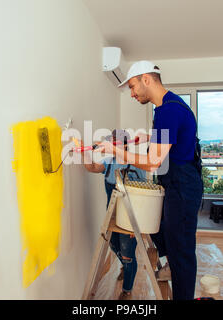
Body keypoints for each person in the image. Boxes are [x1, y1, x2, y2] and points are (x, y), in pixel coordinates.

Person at [96, 61, 203, 300]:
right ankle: (170, 265)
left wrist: (116, 151)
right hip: (177, 182)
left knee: (182, 250)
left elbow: (153, 162)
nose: (132, 93)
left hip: (182, 186)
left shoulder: (168, 111)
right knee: (162, 228)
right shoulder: (168, 106)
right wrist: (146, 138)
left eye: (133, 86)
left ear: (147, 79)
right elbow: (167, 145)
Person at [80, 129, 146, 300]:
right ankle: (125, 266)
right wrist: (84, 152)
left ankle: (127, 290)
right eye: (112, 140)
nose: (111, 144)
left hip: (130, 219)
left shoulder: (137, 165)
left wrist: (137, 224)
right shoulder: (110, 162)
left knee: (128, 254)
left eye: (115, 141)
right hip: (113, 217)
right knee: (113, 245)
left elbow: (143, 197)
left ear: (125, 144)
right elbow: (92, 167)